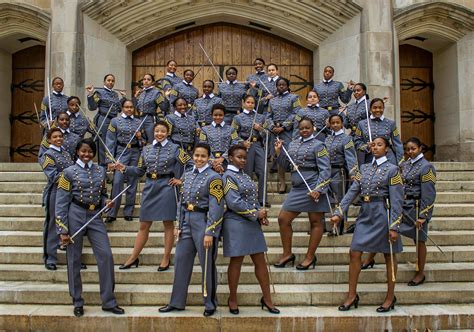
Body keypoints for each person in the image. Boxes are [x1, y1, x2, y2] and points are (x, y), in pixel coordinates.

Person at [330, 136, 403, 313]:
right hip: (365, 214)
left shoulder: (393, 170)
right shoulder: (364, 168)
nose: (375, 148)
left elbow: (397, 200)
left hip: (382, 214)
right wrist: (339, 212)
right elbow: (353, 191)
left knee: (388, 256)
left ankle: (389, 296)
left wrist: (394, 226)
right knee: (354, 252)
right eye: (373, 145)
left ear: (387, 149)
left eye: (380, 145)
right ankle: (352, 295)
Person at [55, 138, 124, 317]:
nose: (86, 155)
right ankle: (77, 300)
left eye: (90, 152)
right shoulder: (68, 173)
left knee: (106, 255)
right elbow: (61, 203)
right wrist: (62, 230)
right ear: (77, 151)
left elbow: (101, 194)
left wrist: (105, 202)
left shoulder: (100, 171)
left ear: (94, 154)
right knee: (74, 259)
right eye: (83, 151)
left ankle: (108, 301)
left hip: (95, 217)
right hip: (75, 214)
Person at [115, 121, 192, 271]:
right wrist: (124, 168)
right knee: (144, 224)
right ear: (153, 132)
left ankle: (166, 258)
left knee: (168, 223)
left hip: (166, 187)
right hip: (150, 187)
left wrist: (181, 180)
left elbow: (190, 164)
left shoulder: (175, 148)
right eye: (157, 131)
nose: (159, 134)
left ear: (168, 133)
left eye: (163, 131)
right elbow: (139, 170)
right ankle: (133, 257)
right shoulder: (146, 149)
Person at [159, 143, 224, 317]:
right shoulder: (187, 175)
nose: (199, 159)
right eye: (196, 155)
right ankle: (176, 302)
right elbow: (181, 202)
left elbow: (216, 207)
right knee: (181, 262)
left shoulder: (214, 178)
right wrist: (178, 225)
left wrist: (210, 231)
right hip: (187, 222)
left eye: (203, 156)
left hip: (203, 222)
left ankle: (210, 303)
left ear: (209, 158)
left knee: (207, 265)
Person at [223, 144, 279, 315]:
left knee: (260, 261)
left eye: (245, 158)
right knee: (237, 261)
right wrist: (256, 213)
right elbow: (233, 202)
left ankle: (267, 298)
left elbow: (252, 197)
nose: (243, 160)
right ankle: (232, 298)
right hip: (235, 221)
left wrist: (260, 215)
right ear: (230, 158)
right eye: (239, 157)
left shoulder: (245, 176)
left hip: (251, 221)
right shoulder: (228, 176)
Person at [273, 117, 331, 270]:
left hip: (313, 186)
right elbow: (286, 165)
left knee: (316, 222)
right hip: (297, 188)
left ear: (313, 128)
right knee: (283, 219)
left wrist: (319, 189)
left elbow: (325, 170)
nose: (304, 130)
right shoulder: (293, 144)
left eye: (307, 128)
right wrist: (279, 153)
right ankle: (287, 254)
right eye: (301, 128)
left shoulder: (319, 145)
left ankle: (310, 257)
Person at [399, 137, 436, 286]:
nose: (410, 152)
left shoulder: (427, 167)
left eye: (413, 149)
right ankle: (369, 260)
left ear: (420, 148)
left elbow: (429, 193)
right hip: (404, 205)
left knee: (419, 240)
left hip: (416, 207)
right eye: (407, 149)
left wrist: (423, 215)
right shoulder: (405, 164)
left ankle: (420, 273)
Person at [39, 127, 74, 270]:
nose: (58, 139)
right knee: (53, 224)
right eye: (55, 137)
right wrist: (72, 175)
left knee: (70, 223)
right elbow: (53, 176)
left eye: (60, 136)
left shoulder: (66, 154)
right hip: (55, 191)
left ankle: (72, 257)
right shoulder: (48, 155)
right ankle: (50, 258)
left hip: (69, 192)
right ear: (49, 140)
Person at [104, 99, 144, 223]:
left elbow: (144, 143)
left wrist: (140, 137)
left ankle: (129, 211)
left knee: (132, 183)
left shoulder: (139, 122)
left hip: (135, 153)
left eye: (131, 107)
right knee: (117, 182)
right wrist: (110, 160)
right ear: (122, 108)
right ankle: (112, 212)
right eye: (126, 107)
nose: (129, 109)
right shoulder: (115, 121)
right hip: (121, 151)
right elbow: (110, 141)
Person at [231, 95, 268, 207]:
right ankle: (247, 198)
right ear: (243, 103)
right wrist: (242, 142)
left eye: (252, 102)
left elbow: (267, 134)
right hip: (245, 147)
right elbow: (233, 134)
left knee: (263, 171)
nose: (250, 104)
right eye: (248, 102)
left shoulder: (261, 117)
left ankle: (262, 198)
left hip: (257, 145)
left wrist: (260, 129)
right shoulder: (237, 118)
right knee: (247, 172)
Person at [325, 114, 359, 234]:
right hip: (328, 172)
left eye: (337, 122)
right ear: (329, 124)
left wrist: (353, 173)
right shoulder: (327, 139)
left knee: (340, 199)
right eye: (333, 123)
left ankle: (339, 228)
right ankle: (331, 225)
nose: (335, 125)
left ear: (342, 124)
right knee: (330, 199)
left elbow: (351, 158)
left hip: (340, 172)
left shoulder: (346, 139)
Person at [267, 77, 301, 194]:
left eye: (283, 85)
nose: (281, 86)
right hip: (275, 132)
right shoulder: (272, 100)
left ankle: (295, 182)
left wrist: (284, 126)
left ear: (287, 86)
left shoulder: (294, 98)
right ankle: (282, 183)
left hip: (288, 132)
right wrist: (272, 127)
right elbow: (268, 116)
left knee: (291, 156)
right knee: (279, 157)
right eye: (279, 85)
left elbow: (297, 113)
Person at [87, 74, 126, 166]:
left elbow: (119, 109)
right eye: (108, 80)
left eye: (112, 81)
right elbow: (92, 107)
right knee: (103, 143)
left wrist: (123, 98)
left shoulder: (115, 94)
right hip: (103, 119)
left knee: (114, 142)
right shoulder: (99, 92)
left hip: (114, 120)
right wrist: (91, 94)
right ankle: (102, 167)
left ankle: (112, 165)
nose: (110, 82)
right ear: (104, 82)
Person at [354, 98, 404, 166]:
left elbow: (398, 144)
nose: (378, 110)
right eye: (375, 108)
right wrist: (366, 146)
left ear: (383, 108)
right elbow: (357, 142)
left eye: (380, 108)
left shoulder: (391, 124)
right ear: (370, 109)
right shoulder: (362, 124)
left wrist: (401, 163)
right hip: (369, 159)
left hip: (388, 159)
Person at [199, 104, 241, 173]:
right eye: (215, 115)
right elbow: (202, 146)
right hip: (209, 161)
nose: (218, 117)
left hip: (227, 161)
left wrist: (223, 158)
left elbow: (235, 144)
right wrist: (213, 162)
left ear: (224, 115)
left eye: (220, 115)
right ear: (211, 115)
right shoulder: (204, 130)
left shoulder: (232, 129)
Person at [133, 73, 170, 143]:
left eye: (148, 79)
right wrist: (135, 98)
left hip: (150, 120)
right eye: (144, 79)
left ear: (152, 82)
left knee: (151, 141)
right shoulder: (141, 93)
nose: (146, 81)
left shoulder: (156, 93)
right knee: (140, 142)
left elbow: (164, 108)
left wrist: (166, 97)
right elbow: (137, 108)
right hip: (139, 120)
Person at [344, 83, 370, 165]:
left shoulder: (369, 104)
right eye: (354, 91)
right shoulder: (350, 106)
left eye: (358, 90)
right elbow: (347, 125)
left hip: (364, 136)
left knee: (362, 161)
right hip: (352, 135)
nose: (356, 92)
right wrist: (343, 115)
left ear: (364, 91)